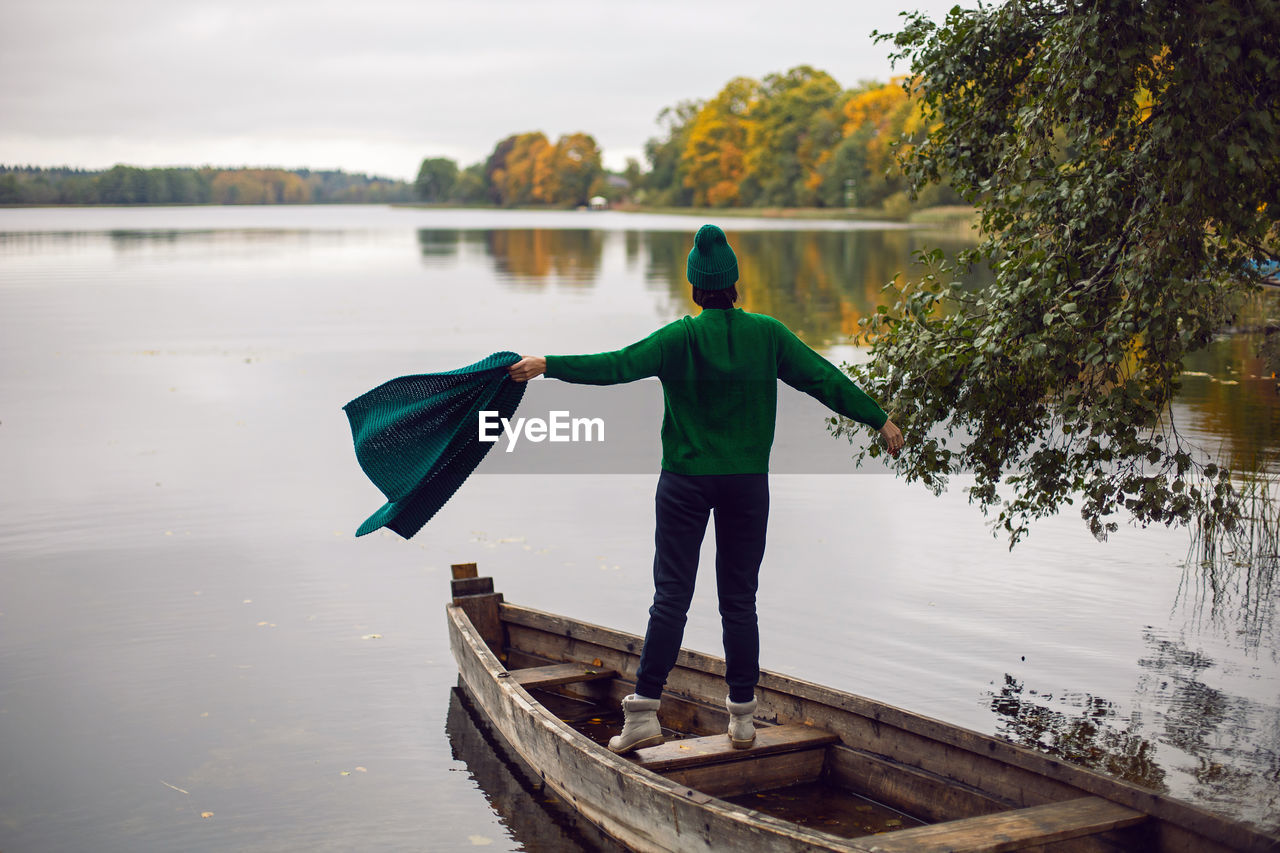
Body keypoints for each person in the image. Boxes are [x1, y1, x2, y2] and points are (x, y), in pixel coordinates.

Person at [507, 224, 902, 753]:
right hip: (746, 484)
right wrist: (879, 419)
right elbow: (823, 379)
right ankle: (741, 720)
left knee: (671, 596)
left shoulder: (680, 338)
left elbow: (617, 367)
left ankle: (645, 712)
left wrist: (548, 365)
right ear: (734, 283)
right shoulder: (768, 334)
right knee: (739, 600)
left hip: (685, 483)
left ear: (695, 287)